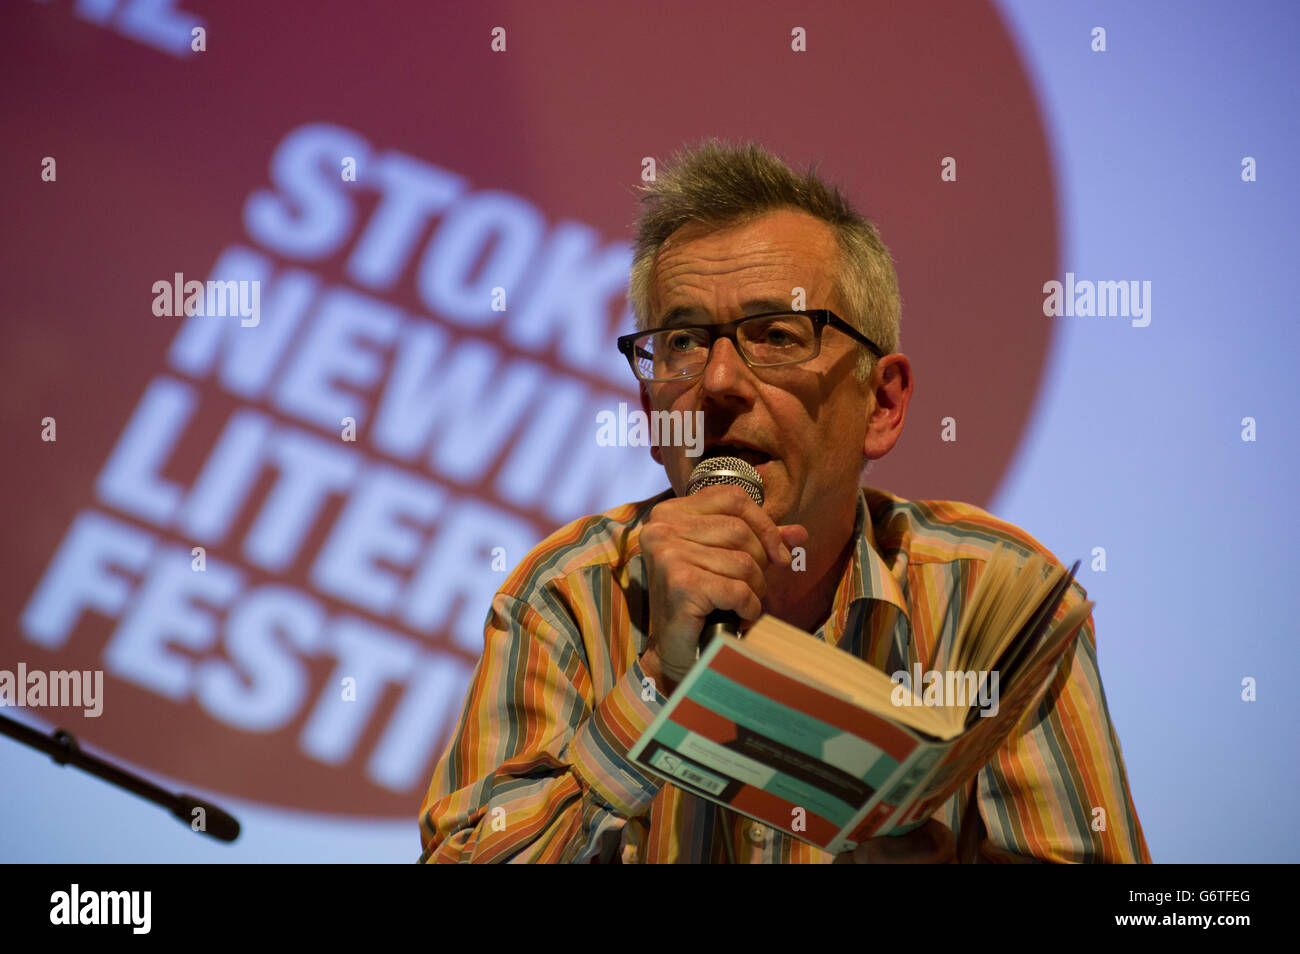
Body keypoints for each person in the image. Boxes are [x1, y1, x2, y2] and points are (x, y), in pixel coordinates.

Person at [417, 140, 1150, 863]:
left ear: (882, 406)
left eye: (775, 334)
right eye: (683, 341)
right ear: (651, 412)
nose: (720, 382)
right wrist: (655, 684)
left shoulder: (995, 601)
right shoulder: (566, 598)